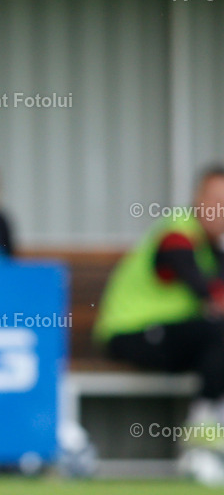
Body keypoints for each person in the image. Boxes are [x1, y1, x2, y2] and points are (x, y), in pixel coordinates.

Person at [95, 166, 224, 431]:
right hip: (131, 333)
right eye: (214, 200)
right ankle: (202, 430)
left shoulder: (213, 248)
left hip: (171, 335)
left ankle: (212, 429)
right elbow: (205, 290)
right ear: (197, 199)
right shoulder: (177, 232)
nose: (217, 210)